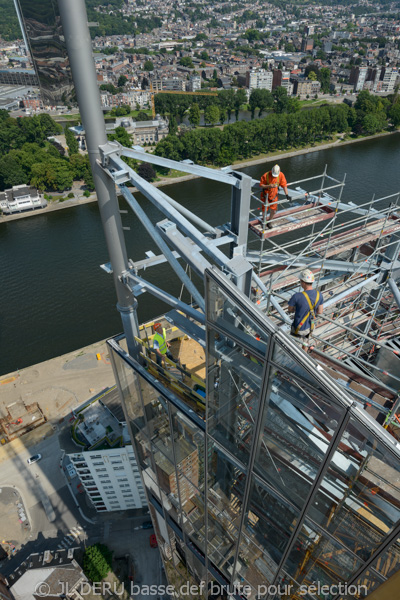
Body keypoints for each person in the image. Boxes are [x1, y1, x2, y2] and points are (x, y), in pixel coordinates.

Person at [288, 269, 323, 351]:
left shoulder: (297, 296)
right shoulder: (319, 294)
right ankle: (304, 357)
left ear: (303, 282)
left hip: (298, 327)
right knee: (306, 342)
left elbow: (290, 309)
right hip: (310, 326)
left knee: (294, 346)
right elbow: (320, 311)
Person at [259, 164, 291, 228]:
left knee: (273, 211)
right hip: (265, 196)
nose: (274, 177)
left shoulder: (281, 175)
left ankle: (269, 221)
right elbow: (261, 185)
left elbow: (284, 185)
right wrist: (269, 186)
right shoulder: (266, 175)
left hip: (274, 196)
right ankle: (264, 222)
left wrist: (287, 195)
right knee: (264, 210)